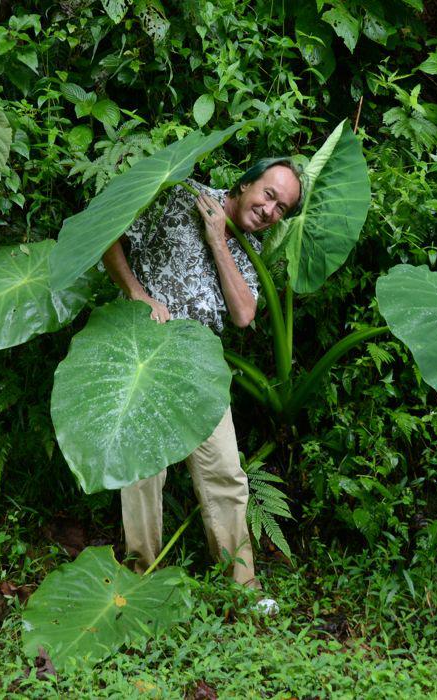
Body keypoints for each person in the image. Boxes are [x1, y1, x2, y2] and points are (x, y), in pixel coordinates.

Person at [102, 157, 302, 606]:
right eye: (268, 195)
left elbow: (244, 314)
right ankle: (141, 578)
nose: (271, 211)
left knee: (226, 473)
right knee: (144, 470)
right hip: (149, 355)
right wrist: (136, 292)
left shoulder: (249, 248)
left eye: (282, 209)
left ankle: (243, 587)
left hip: (199, 368)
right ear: (246, 183)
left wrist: (218, 240)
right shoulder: (181, 196)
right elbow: (109, 236)